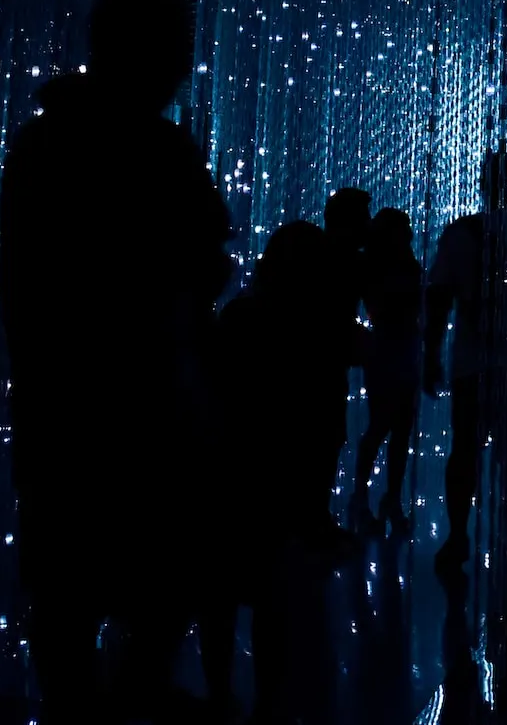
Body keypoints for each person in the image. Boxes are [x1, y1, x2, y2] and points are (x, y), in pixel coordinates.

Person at [0, 0, 231, 723]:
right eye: (179, 53)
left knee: (68, 582)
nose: (186, 70)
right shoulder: (159, 151)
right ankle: (123, 696)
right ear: (153, 52)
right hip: (143, 402)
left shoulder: (41, 141)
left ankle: (85, 702)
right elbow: (201, 264)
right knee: (154, 576)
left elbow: (22, 280)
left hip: (59, 398)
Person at [203, 220, 337, 719]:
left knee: (221, 591)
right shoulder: (311, 333)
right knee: (269, 596)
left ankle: (223, 694)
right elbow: (313, 415)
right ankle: (267, 703)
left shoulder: (243, 317)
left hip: (231, 470)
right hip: (273, 475)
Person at [424, 150, 507, 577]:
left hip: (473, 364)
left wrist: (430, 354)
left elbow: (439, 298)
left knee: (465, 450)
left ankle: (460, 535)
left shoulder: (462, 232)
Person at [349, 207, 424, 534]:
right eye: (404, 227)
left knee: (398, 427)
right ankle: (367, 498)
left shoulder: (398, 263)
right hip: (389, 349)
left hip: (400, 348)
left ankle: (385, 498)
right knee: (383, 424)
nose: (409, 232)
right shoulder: (378, 265)